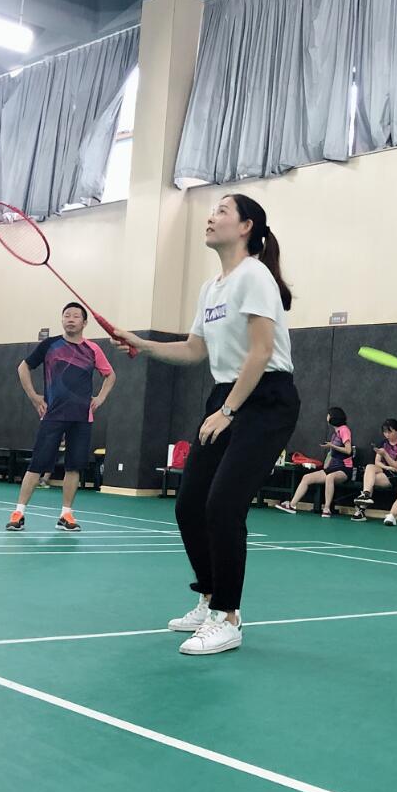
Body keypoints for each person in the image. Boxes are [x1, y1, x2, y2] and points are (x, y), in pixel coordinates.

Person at [115, 194, 299, 656]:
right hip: (226, 394)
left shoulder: (254, 275)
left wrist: (229, 411)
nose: (211, 217)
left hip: (265, 399)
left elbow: (261, 351)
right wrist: (144, 344)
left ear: (246, 226)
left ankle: (228, 616)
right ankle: (209, 597)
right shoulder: (210, 288)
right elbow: (195, 350)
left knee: (223, 505)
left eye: (221, 211)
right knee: (190, 504)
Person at [5, 303, 115, 533]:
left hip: (82, 417)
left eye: (76, 316)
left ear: (84, 323)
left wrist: (100, 398)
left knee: (74, 467)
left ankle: (66, 515)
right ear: (62, 320)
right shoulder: (50, 345)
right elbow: (23, 367)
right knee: (37, 465)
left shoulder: (93, 349)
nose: (70, 319)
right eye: (67, 315)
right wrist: (34, 396)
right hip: (53, 414)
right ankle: (18, 513)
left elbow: (110, 375)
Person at [278, 406, 352, 517]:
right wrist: (325, 465)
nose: (327, 417)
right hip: (332, 468)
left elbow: (348, 450)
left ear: (334, 417)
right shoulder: (335, 434)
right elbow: (332, 454)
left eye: (328, 415)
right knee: (306, 478)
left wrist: (332, 446)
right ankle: (292, 505)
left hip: (344, 469)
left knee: (330, 477)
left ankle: (326, 509)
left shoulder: (344, 430)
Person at [351, 418, 397, 521]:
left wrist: (385, 455)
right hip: (384, 469)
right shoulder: (383, 443)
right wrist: (387, 467)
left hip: (395, 475)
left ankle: (361, 510)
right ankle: (366, 495)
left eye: (390, 432)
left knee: (369, 480)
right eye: (385, 432)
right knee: (369, 467)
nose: (387, 435)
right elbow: (377, 462)